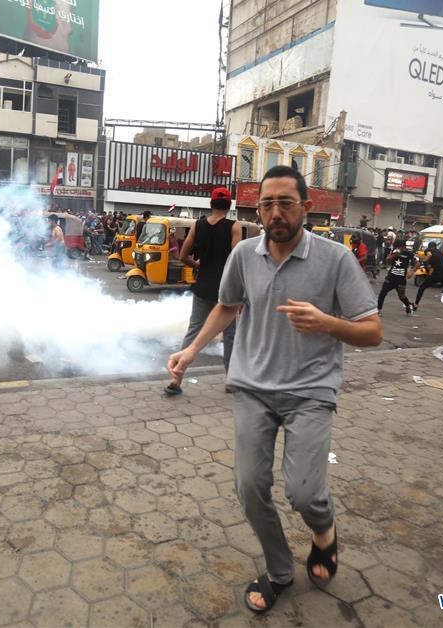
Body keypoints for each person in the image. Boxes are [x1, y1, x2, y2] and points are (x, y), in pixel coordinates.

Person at [167, 165, 382, 614]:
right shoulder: (244, 254)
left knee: (303, 492)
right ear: (257, 209)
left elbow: (373, 331)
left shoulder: (336, 259)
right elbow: (227, 307)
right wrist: (190, 352)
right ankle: (281, 569)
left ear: (306, 206)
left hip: (310, 391)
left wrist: (327, 323)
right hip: (252, 387)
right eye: (267, 203)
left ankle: (323, 532)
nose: (275, 212)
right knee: (249, 487)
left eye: (286, 202)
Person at [164, 187, 242, 397]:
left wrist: (199, 266)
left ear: (211, 204)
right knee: (230, 335)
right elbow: (237, 260)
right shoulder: (235, 227)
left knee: (193, 331)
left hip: (203, 286)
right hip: (226, 289)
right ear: (229, 205)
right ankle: (231, 382)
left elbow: (182, 256)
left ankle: (176, 379)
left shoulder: (198, 226)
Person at [413, 241, 443, 319]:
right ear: (436, 247)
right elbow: (435, 264)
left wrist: (424, 261)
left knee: (422, 287)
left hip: (438, 273)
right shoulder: (440, 253)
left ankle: (415, 305)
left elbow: (429, 256)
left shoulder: (428, 251)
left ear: (429, 247)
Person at [377, 239, 417, 316]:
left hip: (401, 279)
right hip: (391, 277)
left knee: (401, 296)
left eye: (399, 247)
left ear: (403, 247)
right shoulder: (394, 252)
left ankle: (408, 306)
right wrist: (394, 255)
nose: (397, 249)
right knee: (383, 293)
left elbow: (418, 263)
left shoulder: (409, 253)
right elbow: (388, 260)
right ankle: (379, 310)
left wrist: (411, 271)